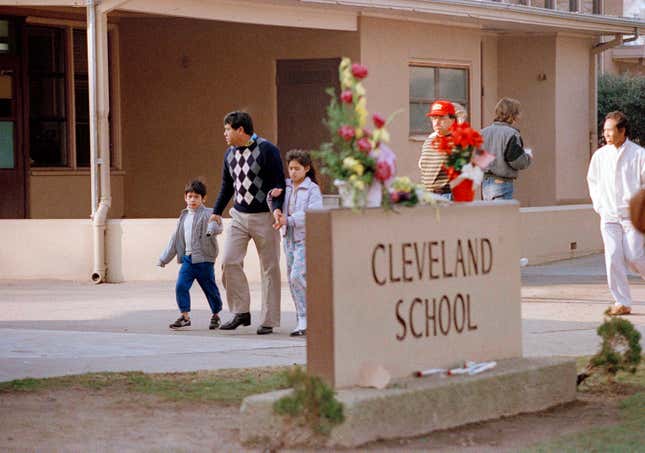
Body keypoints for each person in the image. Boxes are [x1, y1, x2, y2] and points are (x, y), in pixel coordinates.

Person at [210, 111, 285, 335]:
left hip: (265, 216)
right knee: (229, 261)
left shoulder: (267, 150)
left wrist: (278, 209)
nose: (224, 133)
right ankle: (241, 312)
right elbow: (226, 186)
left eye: (227, 129)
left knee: (270, 268)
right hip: (239, 216)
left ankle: (269, 320)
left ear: (240, 130)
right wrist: (216, 212)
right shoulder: (229, 155)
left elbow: (278, 183)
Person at [587, 111, 645, 316]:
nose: (606, 135)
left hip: (633, 218)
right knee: (612, 257)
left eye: (610, 131)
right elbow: (592, 182)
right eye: (604, 131)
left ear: (623, 131)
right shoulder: (600, 156)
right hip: (609, 216)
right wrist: (600, 206)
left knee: (635, 256)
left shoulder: (639, 154)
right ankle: (622, 301)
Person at [269, 150, 323, 337]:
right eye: (290, 168)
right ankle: (302, 318)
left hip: (305, 239)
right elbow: (277, 206)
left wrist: (289, 220)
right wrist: (273, 200)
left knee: (296, 276)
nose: (292, 172)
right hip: (288, 239)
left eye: (297, 169)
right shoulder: (286, 186)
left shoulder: (312, 190)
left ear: (306, 169)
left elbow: (312, 213)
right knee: (292, 280)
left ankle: (316, 311)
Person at [158, 179, 224, 330]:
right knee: (181, 286)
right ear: (185, 197)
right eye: (190, 196)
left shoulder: (209, 213)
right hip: (188, 260)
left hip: (205, 260)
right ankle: (185, 316)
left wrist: (212, 229)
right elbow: (175, 240)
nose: (193, 200)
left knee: (210, 289)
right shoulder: (183, 217)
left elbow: (218, 225)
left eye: (196, 197)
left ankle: (216, 315)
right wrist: (164, 258)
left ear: (203, 198)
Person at [481, 98, 532, 200]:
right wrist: (528, 156)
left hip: (486, 183)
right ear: (513, 115)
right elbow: (517, 161)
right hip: (501, 183)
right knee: (503, 215)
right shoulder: (511, 134)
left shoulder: (483, 132)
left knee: (491, 214)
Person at [418, 100, 457, 199]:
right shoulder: (429, 140)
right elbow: (422, 165)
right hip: (426, 195)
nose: (436, 122)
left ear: (452, 120)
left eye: (441, 118)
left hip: (445, 195)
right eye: (434, 118)